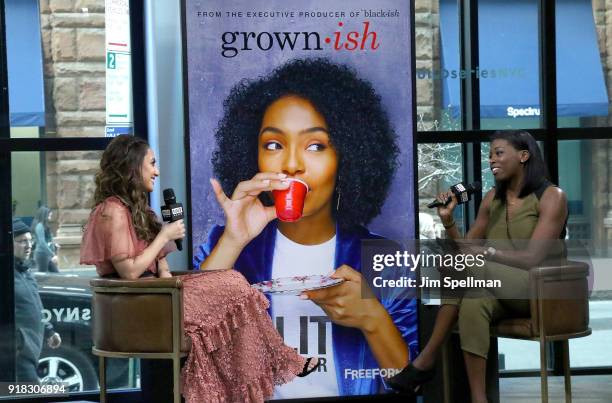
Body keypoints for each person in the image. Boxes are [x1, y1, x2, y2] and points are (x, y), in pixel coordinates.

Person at [193, 58, 419, 397]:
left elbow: (406, 384)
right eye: (274, 145)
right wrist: (234, 239)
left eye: (315, 146)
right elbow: (188, 336)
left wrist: (373, 319)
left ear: (348, 158)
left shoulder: (386, 259)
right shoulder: (225, 245)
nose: (292, 164)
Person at [80, 135, 319, 403]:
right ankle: (278, 361)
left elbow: (162, 270)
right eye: (152, 163)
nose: (157, 171)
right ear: (132, 166)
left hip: (162, 295)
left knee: (235, 285)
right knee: (234, 284)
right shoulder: (111, 211)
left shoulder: (138, 209)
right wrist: (164, 236)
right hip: (142, 304)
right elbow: (130, 273)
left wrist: (169, 272)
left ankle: (261, 373)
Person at [388, 130, 568, 402]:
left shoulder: (551, 196)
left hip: (532, 290)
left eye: (498, 153)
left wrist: (488, 253)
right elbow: (465, 248)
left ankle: (425, 361)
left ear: (523, 156)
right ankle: (478, 398)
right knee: (473, 302)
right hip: (491, 286)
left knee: (464, 268)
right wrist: (449, 221)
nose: (491, 159)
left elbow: (533, 257)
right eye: (490, 154)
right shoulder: (492, 198)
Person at [12, 218, 62, 383]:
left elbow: (35, 305)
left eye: (30, 240)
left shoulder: (24, 270)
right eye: (21, 241)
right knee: (33, 393)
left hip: (30, 350)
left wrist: (49, 330)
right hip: (18, 352)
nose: (29, 245)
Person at [30, 206, 59, 273]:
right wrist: (53, 254)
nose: (50, 217)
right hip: (41, 254)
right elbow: (42, 243)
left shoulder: (43, 226)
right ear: (44, 215)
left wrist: (54, 244)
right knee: (43, 276)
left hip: (46, 254)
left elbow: (46, 241)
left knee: (55, 273)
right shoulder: (40, 226)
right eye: (49, 215)